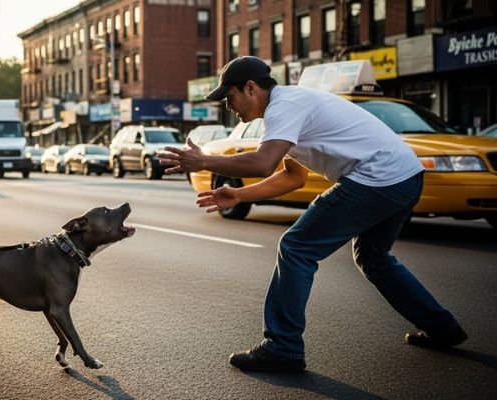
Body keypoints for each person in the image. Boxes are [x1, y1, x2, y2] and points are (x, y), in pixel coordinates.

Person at [158, 56, 466, 372]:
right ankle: (443, 329)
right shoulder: (288, 107)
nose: (228, 106)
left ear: (250, 88)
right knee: (373, 257)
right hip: (405, 178)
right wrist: (239, 194)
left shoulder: (284, 106)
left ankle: (282, 347)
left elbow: (263, 163)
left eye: (229, 96)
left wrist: (204, 162)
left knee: (296, 247)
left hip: (378, 177)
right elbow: (293, 177)